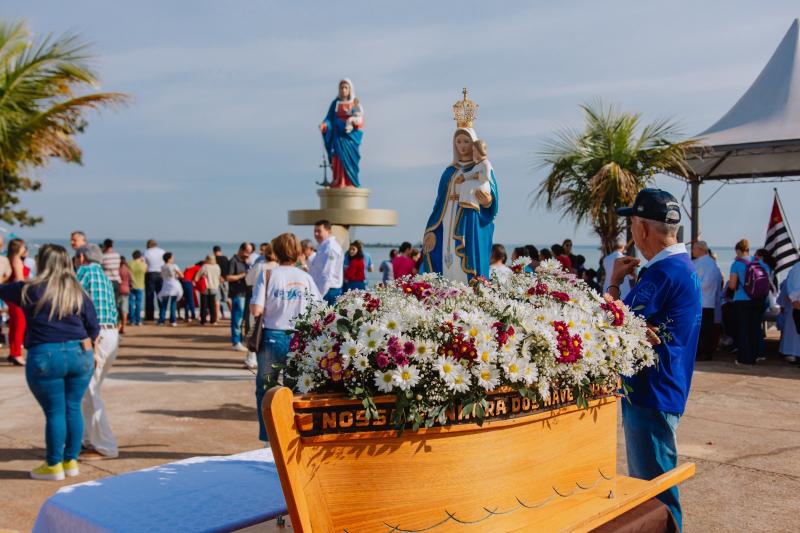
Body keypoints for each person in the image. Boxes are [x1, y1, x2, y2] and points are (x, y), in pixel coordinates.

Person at [608, 188, 701, 531]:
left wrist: (614, 284)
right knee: (658, 485)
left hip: (650, 394)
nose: (632, 232)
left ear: (643, 229)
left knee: (654, 492)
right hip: (665, 389)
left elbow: (612, 324)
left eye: (632, 224)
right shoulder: (679, 266)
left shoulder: (662, 274)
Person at [0, 244, 99, 480]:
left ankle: (53, 465)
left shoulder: (29, 290)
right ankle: (71, 461)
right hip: (79, 354)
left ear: (42, 263)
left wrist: (15, 269)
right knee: (73, 408)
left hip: (45, 354)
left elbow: (2, 290)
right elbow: (93, 327)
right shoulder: (78, 291)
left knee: (55, 411)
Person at [250, 233, 321, 442]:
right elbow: (318, 308)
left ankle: (268, 437)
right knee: (296, 391)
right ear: (298, 252)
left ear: (275, 251)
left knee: (265, 390)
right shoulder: (305, 277)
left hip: (272, 336)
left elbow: (256, 310)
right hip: (298, 338)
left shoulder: (268, 275)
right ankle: (293, 435)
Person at [421, 126, 498, 282]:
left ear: (474, 143)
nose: (462, 146)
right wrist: (431, 230)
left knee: (467, 258)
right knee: (446, 264)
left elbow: (491, 197)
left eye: (466, 141)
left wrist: (487, 201)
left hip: (470, 222)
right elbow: (438, 205)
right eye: (458, 142)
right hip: (447, 223)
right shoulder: (449, 172)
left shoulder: (483, 167)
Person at [75, 243, 119, 459]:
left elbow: (75, 302)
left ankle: (106, 444)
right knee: (91, 390)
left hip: (96, 334)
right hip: (111, 333)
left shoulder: (83, 272)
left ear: (81, 258)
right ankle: (87, 438)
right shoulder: (103, 275)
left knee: (90, 391)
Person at [728, 239, 768, 365]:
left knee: (743, 329)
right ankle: (756, 355)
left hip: (742, 300)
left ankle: (745, 358)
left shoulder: (736, 264)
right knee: (755, 328)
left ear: (739, 251)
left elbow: (733, 285)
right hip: (758, 300)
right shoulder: (760, 263)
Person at [319, 78, 365, 188]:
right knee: (337, 157)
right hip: (338, 136)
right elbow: (329, 118)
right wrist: (325, 125)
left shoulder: (354, 102)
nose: (343, 90)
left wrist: (353, 123)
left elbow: (360, 118)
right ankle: (338, 180)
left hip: (349, 137)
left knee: (350, 159)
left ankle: (350, 181)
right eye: (341, 88)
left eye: (346, 87)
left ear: (350, 89)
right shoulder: (335, 103)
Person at [693, 241, 722, 361]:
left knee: (701, 330)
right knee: (706, 329)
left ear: (700, 249)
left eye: (694, 248)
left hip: (702, 301)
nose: (692, 251)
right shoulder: (711, 263)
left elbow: (703, 283)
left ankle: (703, 353)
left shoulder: (703, 263)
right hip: (709, 302)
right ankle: (705, 352)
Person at [6, 238, 30, 366]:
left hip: (10, 296)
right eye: (23, 247)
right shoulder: (16, 260)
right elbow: (20, 280)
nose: (25, 249)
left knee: (14, 325)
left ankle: (13, 352)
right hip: (17, 297)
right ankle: (17, 354)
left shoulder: (10, 258)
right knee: (20, 325)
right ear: (18, 248)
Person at [309, 220, 344, 305]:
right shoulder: (323, 247)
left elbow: (327, 274)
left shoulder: (330, 248)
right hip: (323, 290)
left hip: (328, 291)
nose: (316, 234)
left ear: (328, 231)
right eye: (315, 231)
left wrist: (319, 296)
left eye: (319, 231)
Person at [227, 243, 253, 351]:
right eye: (247, 252)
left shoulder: (244, 262)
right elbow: (228, 277)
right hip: (237, 293)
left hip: (244, 292)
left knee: (241, 319)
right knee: (237, 319)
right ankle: (236, 342)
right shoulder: (233, 261)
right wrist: (242, 275)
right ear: (241, 250)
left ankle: (239, 341)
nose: (249, 254)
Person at [777, 261, 800, 363]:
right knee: (795, 331)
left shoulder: (796, 268)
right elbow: (795, 287)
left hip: (795, 304)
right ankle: (792, 353)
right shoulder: (797, 268)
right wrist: (795, 299)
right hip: (796, 305)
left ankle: (792, 353)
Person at [157, 252, 183, 327]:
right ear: (169, 259)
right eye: (172, 258)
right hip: (174, 285)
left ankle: (161, 320)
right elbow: (181, 275)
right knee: (173, 303)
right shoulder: (174, 266)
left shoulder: (162, 267)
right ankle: (173, 321)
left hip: (165, 285)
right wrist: (177, 274)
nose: (173, 259)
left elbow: (161, 276)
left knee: (164, 304)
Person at [143, 239, 166, 322]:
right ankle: (162, 314)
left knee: (149, 296)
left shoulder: (146, 252)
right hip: (160, 274)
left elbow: (144, 265)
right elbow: (165, 263)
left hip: (150, 274)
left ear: (148, 245)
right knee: (160, 295)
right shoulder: (162, 251)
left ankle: (149, 316)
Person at [196, 255, 222, 326]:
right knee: (212, 305)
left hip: (205, 288)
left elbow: (197, 277)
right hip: (215, 288)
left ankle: (203, 320)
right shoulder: (217, 266)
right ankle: (213, 320)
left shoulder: (204, 266)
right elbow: (219, 276)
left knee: (203, 305)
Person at [101, 239, 122, 313]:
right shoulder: (117, 255)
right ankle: (116, 319)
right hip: (116, 280)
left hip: (107, 280)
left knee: (107, 302)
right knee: (115, 302)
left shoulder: (104, 256)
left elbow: (101, 267)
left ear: (105, 246)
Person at [128, 250, 146, 326]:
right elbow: (146, 271)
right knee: (138, 304)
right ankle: (138, 320)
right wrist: (143, 261)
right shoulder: (143, 264)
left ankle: (131, 320)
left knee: (131, 303)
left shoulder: (129, 263)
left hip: (131, 285)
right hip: (140, 286)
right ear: (140, 256)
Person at [213, 245, 229, 319]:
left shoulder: (213, 259)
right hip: (225, 280)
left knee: (217, 300)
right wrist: (225, 277)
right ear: (220, 251)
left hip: (216, 282)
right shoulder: (225, 258)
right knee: (228, 299)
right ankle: (233, 314)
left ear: (213, 252)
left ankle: (217, 317)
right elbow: (229, 268)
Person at [118, 256, 131, 334]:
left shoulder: (118, 270)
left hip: (119, 289)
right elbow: (131, 280)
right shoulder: (127, 270)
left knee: (117, 309)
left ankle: (119, 326)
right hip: (126, 290)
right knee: (124, 310)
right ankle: (124, 327)